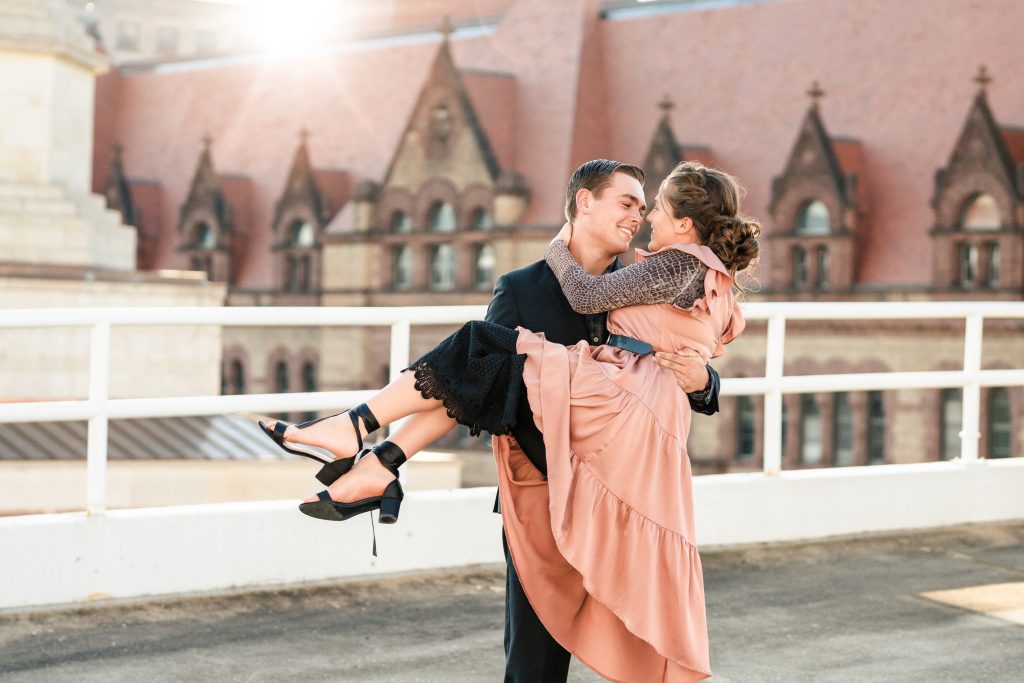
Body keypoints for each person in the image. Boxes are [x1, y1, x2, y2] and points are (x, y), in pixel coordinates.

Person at [260, 159, 759, 682]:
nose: (640, 216)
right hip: (538, 486)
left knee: (476, 344)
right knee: (535, 661)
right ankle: (374, 459)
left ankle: (366, 444)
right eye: (628, 203)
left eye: (647, 206)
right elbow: (470, 391)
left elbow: (693, 367)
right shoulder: (523, 289)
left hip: (617, 476)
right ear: (584, 203)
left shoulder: (644, 279)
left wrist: (702, 380)